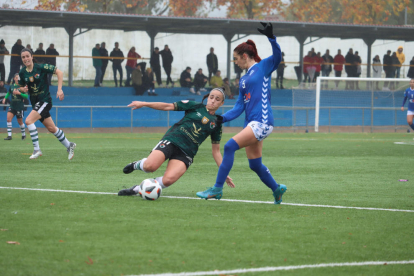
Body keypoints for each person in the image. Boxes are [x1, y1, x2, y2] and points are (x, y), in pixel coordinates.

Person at [196, 22, 287, 204]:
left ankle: (217, 189)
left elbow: (277, 57)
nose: (235, 62)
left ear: (245, 56)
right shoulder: (244, 80)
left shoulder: (263, 67)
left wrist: (271, 38)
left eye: (236, 59)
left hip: (262, 122)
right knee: (255, 164)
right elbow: (239, 107)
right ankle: (277, 189)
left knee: (229, 147)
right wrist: (221, 118)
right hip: (252, 124)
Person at [118, 88, 234, 195]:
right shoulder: (195, 106)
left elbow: (216, 151)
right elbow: (167, 106)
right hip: (173, 140)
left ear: (222, 103)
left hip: (187, 153)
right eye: (211, 97)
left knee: (168, 180)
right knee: (150, 167)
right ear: (208, 97)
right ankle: (137, 164)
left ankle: (136, 189)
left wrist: (224, 173)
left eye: (217, 99)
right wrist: (144, 103)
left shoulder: (217, 124)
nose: (213, 101)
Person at [17, 48, 76, 160]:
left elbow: (59, 72)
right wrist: (22, 89)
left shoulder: (41, 67)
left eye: (27, 56)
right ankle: (69, 145)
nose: (25, 59)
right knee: (51, 128)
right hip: (36, 103)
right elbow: (20, 86)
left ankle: (36, 149)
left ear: (32, 56)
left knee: (28, 121)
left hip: (45, 101)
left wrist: (59, 89)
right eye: (23, 57)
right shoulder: (22, 72)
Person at [2, 73, 27, 140]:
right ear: (14, 79)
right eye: (16, 77)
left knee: (20, 121)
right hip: (12, 105)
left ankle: (23, 134)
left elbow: (26, 96)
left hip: (19, 106)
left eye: (18, 78)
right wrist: (5, 98)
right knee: (8, 119)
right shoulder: (12, 86)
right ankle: (9, 136)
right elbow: (9, 93)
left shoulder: (22, 86)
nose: (17, 79)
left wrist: (19, 93)